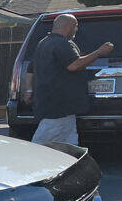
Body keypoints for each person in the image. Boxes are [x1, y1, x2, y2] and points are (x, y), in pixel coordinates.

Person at [31, 13, 113, 147]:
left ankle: (69, 160)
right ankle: (29, 161)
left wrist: (28, 90)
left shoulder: (44, 42)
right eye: (76, 26)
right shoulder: (62, 43)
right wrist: (99, 52)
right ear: (70, 26)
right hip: (58, 108)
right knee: (42, 145)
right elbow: (74, 65)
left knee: (68, 145)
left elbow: (32, 69)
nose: (76, 30)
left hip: (57, 106)